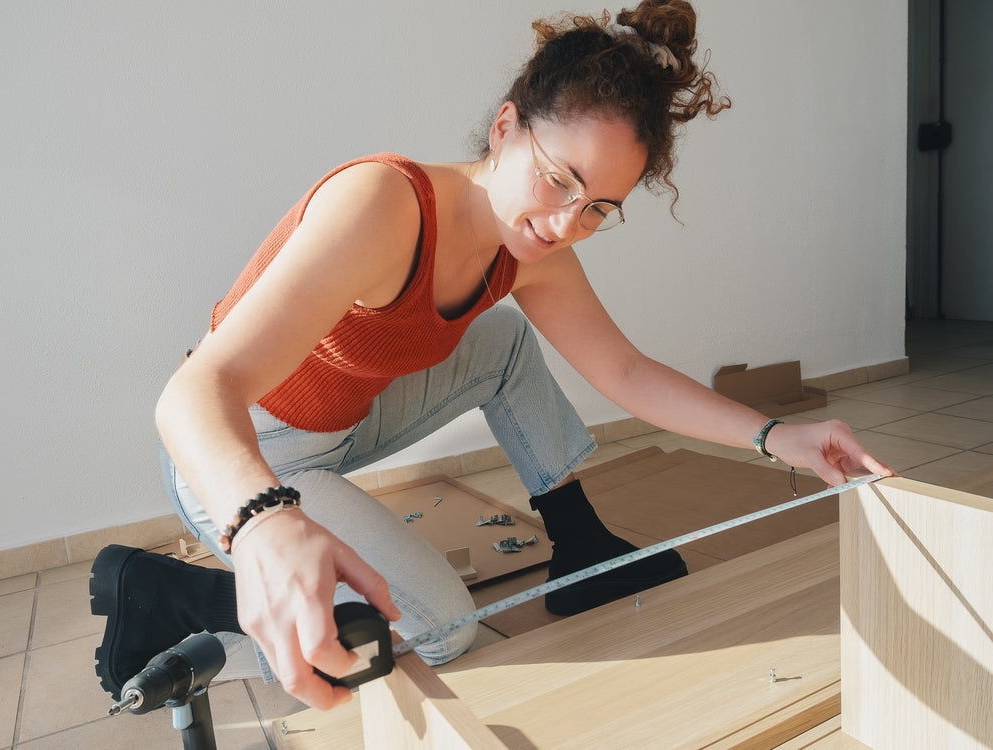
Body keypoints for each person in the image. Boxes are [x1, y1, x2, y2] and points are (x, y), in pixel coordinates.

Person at [91, 0, 892, 713]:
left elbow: (626, 372)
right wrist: (265, 523)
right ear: (506, 126)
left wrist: (774, 437)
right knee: (439, 631)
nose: (567, 221)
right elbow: (193, 394)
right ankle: (169, 598)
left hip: (343, 428)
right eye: (557, 179)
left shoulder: (533, 251)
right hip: (243, 453)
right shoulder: (381, 204)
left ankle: (579, 541)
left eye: (599, 209)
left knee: (503, 341)